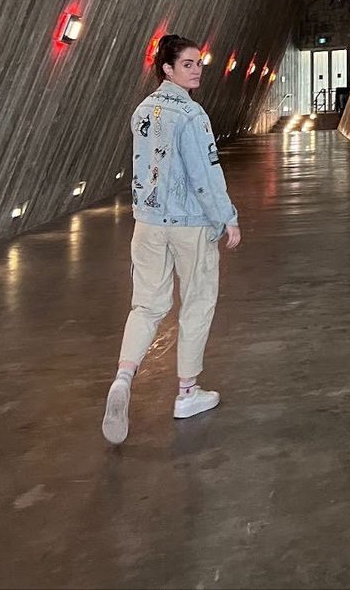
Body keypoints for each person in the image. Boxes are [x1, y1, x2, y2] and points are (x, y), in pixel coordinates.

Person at [102, 34, 241, 444]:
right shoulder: (192, 115)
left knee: (146, 304)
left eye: (199, 63)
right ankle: (187, 393)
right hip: (189, 224)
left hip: (147, 223)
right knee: (197, 301)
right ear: (167, 68)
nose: (196, 70)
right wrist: (227, 218)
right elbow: (205, 174)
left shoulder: (142, 110)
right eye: (187, 64)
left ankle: (124, 376)